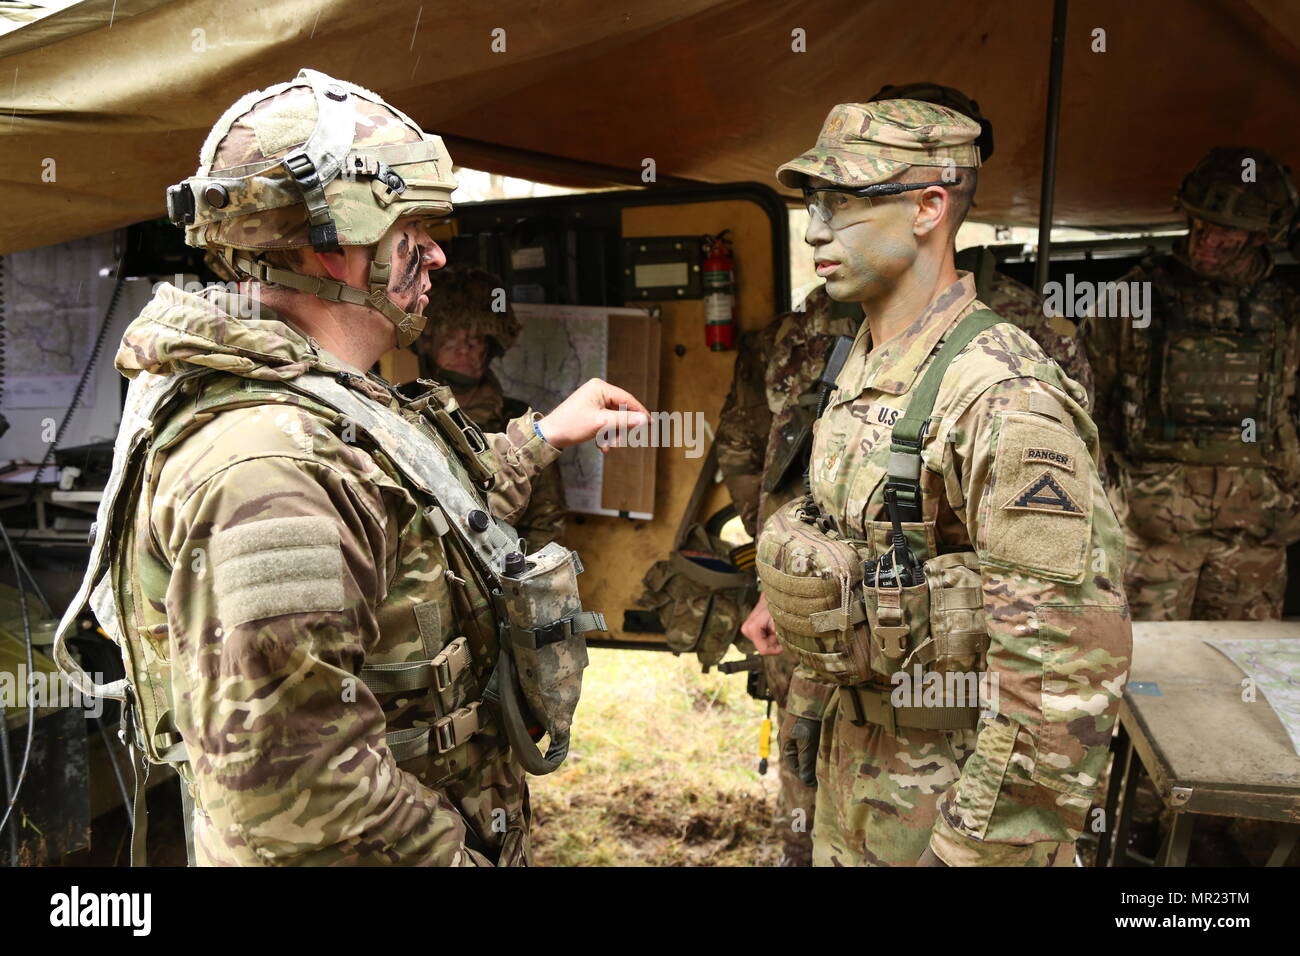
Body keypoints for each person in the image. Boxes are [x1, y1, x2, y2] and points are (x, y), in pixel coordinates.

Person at [53, 69, 646, 866]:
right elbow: (301, 794)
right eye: (413, 228)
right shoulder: (268, 472)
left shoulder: (330, 405)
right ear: (333, 244)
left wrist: (540, 437)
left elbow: (425, 520)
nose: (435, 254)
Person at [715, 81, 1096, 867]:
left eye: (845, 203)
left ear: (928, 209)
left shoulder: (1001, 395)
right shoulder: (868, 358)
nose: (816, 229)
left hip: (949, 800)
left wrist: (969, 851)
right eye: (813, 203)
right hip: (859, 776)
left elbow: (1062, 675)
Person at [1086, 147, 1300, 620]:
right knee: (1145, 676)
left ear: (1263, 235)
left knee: (1242, 674)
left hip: (1255, 536)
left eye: (1225, 230)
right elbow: (1084, 403)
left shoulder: (1289, 311)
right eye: (1199, 223)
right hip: (1153, 533)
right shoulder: (1130, 299)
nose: (1205, 239)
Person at [412, 265, 567, 548]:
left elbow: (545, 525)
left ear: (491, 346)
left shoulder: (518, 419)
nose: (465, 350)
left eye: (475, 340)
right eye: (451, 339)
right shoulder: (409, 415)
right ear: (428, 344)